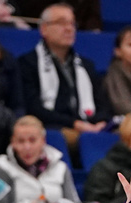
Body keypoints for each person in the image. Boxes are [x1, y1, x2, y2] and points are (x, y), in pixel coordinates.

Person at [17, 3, 107, 143]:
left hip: (88, 125)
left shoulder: (86, 65)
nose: (69, 29)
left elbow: (102, 104)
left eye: (72, 24)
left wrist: (100, 122)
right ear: (44, 29)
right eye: (61, 23)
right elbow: (34, 108)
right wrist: (74, 124)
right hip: (53, 127)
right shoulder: (27, 63)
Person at [0, 115, 81, 203]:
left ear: (43, 141)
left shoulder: (60, 167)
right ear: (12, 142)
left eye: (32, 140)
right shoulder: (3, 167)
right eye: (21, 141)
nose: (27, 147)